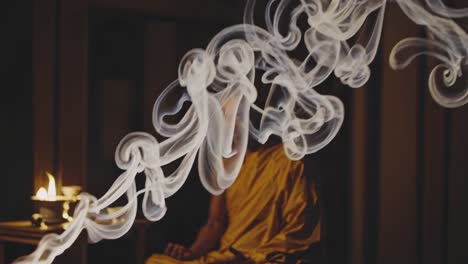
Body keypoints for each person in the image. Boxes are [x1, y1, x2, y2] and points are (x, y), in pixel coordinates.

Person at [146, 143, 320, 263]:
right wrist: (192, 253)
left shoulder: (291, 161)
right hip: (227, 256)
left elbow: (299, 231)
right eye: (226, 117)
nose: (230, 125)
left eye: (237, 116)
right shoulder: (227, 163)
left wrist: (253, 258)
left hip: (264, 257)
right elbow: (214, 223)